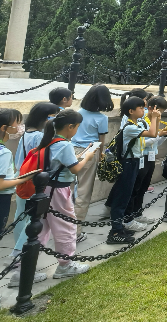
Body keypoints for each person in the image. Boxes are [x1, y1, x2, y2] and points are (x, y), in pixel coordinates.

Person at [33, 110, 97, 278]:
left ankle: (25, 265)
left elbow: (64, 162)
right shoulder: (64, 144)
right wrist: (88, 156)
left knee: (41, 227)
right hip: (59, 191)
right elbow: (75, 168)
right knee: (67, 226)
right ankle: (65, 265)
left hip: (45, 189)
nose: (77, 130)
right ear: (70, 127)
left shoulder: (50, 141)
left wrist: (80, 155)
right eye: (77, 127)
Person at [0, 108, 46, 306]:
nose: (19, 128)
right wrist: (22, 179)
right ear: (4, 127)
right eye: (16, 123)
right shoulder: (3, 152)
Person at [8, 103, 56, 287]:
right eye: (52, 117)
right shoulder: (39, 137)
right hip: (33, 183)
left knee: (21, 219)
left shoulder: (26, 134)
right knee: (31, 222)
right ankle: (22, 262)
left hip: (22, 181)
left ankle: (17, 256)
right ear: (45, 118)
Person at [106, 95, 159, 245]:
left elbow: (152, 133)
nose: (143, 110)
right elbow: (153, 134)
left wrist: (154, 117)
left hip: (134, 163)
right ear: (131, 111)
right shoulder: (129, 127)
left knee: (127, 195)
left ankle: (120, 226)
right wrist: (154, 118)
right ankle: (115, 231)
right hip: (128, 164)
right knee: (122, 198)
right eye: (141, 108)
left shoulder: (137, 124)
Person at [71, 83, 114, 243]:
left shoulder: (78, 113)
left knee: (67, 192)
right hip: (89, 153)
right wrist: (101, 155)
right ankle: (75, 231)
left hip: (71, 151)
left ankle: (62, 227)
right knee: (83, 192)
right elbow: (101, 142)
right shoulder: (102, 118)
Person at [129, 95, 167, 225]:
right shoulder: (143, 121)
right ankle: (130, 216)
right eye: (159, 111)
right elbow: (143, 142)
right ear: (152, 108)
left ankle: (138, 212)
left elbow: (155, 141)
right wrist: (159, 135)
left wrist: (162, 135)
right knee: (136, 187)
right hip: (141, 156)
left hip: (151, 155)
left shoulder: (153, 119)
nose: (160, 115)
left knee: (143, 186)